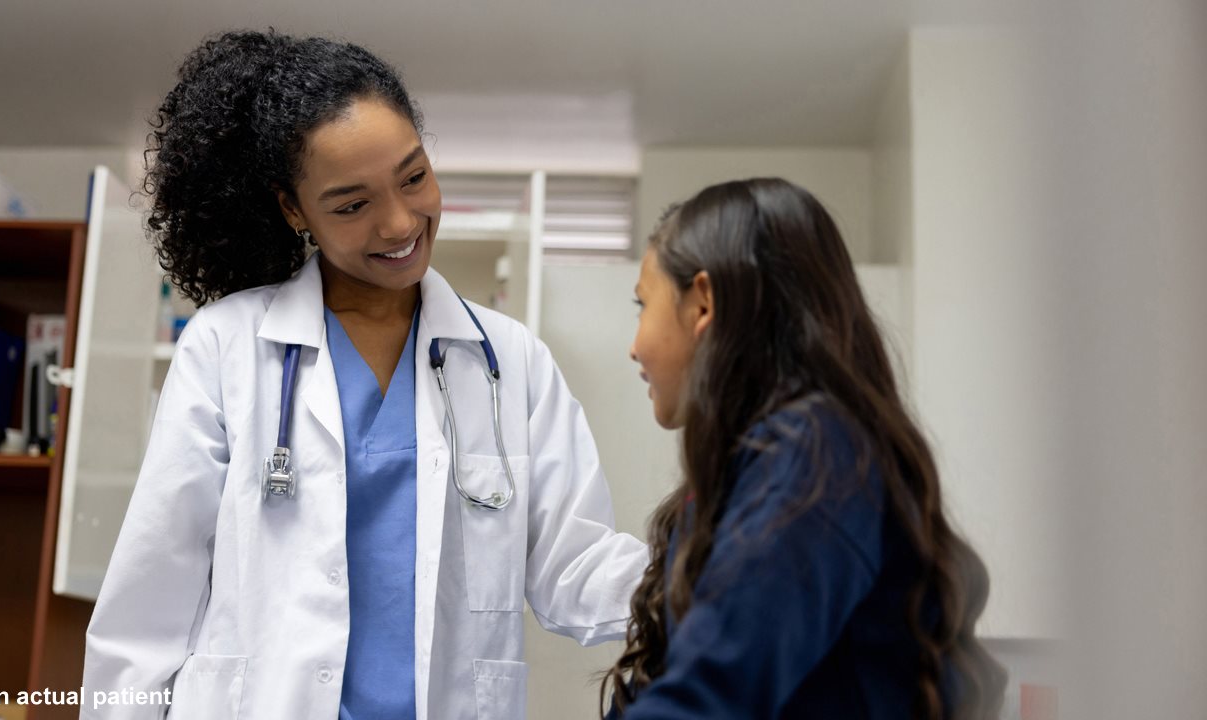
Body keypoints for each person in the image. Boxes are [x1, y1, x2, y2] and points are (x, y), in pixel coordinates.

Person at [80, 29, 646, 720]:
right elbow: (148, 606)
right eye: (352, 205)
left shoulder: (509, 361)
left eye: (414, 176)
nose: (401, 222)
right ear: (294, 209)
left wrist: (713, 578)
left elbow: (573, 566)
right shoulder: (227, 348)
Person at [603, 178, 1006, 718]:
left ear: (702, 303)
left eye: (642, 304)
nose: (634, 346)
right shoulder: (731, 487)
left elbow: (711, 694)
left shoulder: (816, 457)